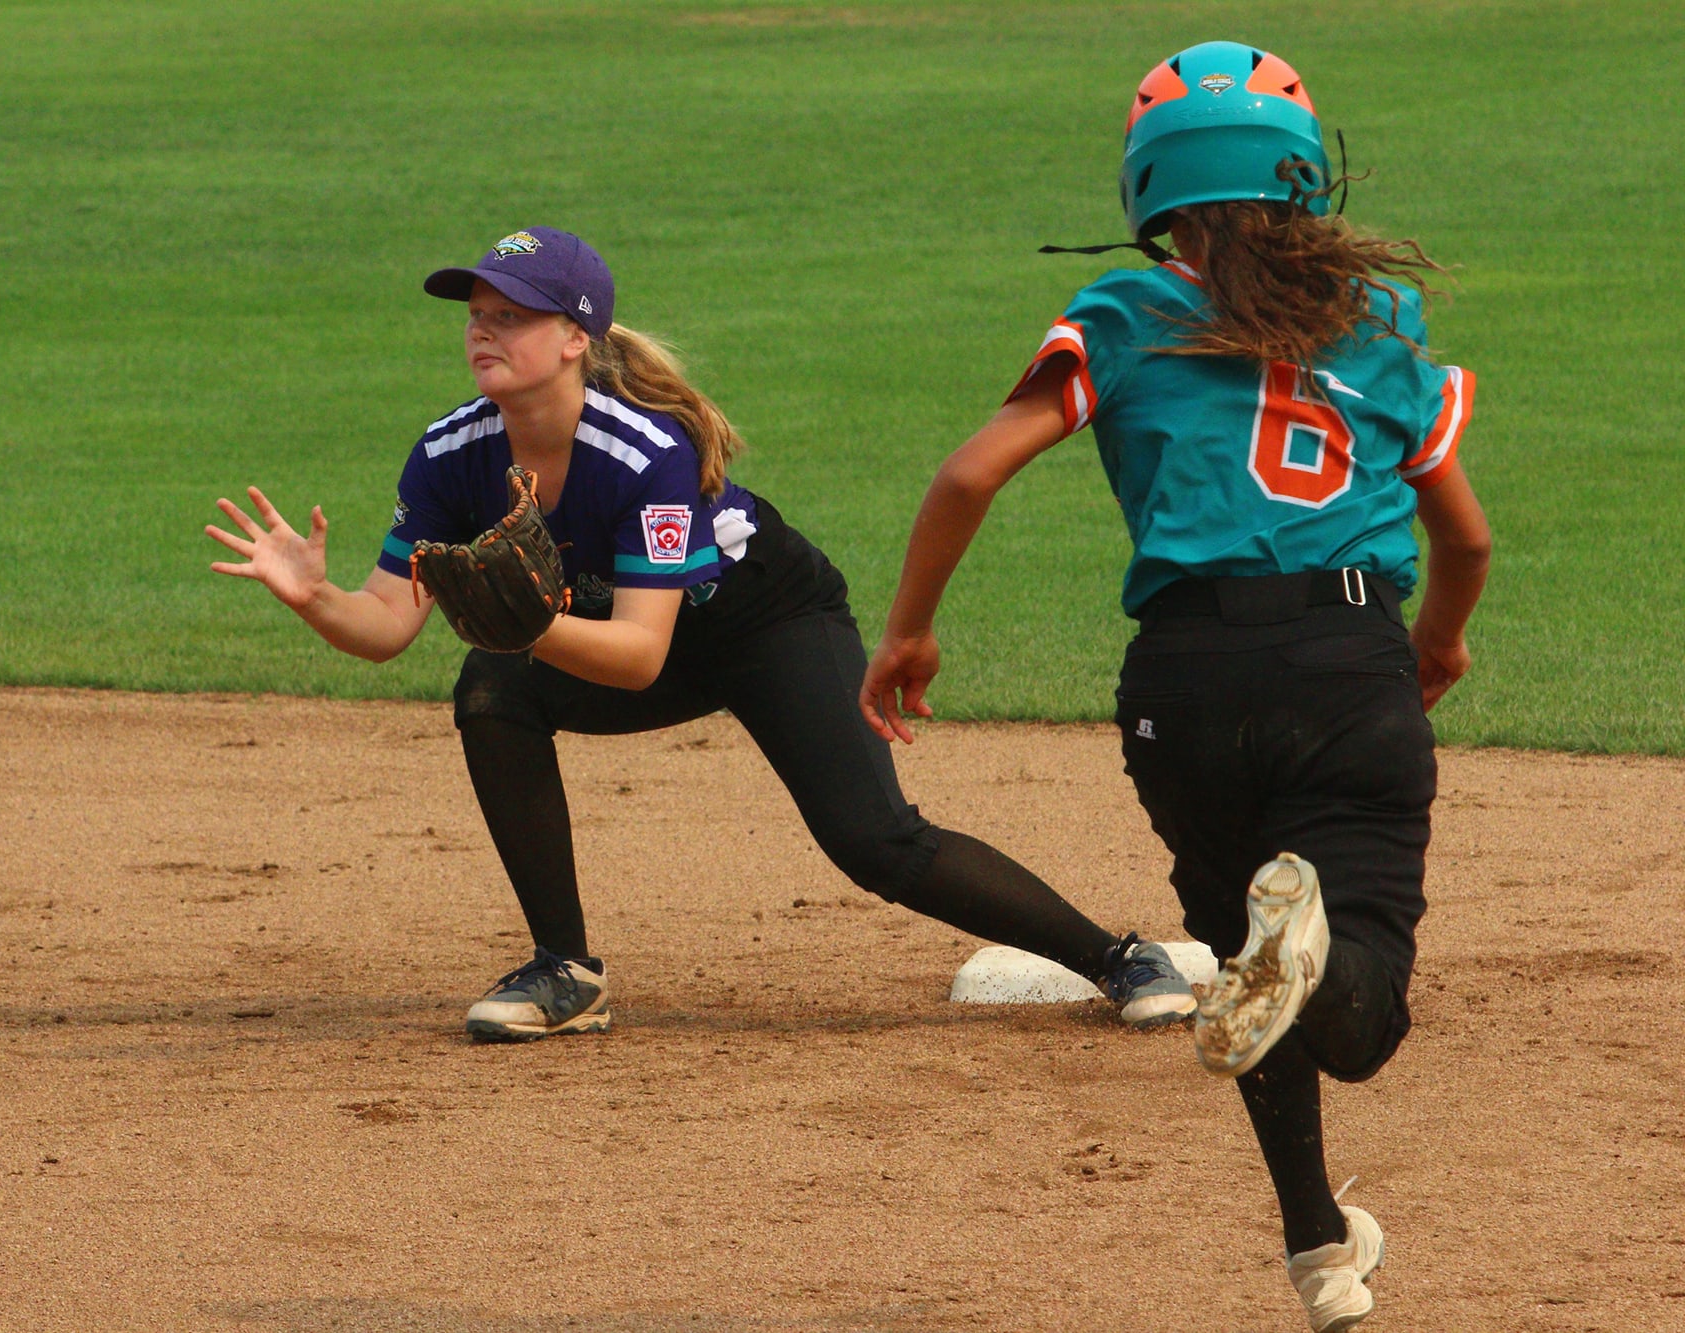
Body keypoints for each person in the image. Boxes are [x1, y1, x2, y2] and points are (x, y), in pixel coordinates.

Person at [859, 43, 1490, 1333]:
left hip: (1179, 689)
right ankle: (1314, 956)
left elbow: (969, 473)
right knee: (1347, 1008)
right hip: (1345, 661)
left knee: (1250, 965)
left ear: (1147, 186)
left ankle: (1315, 1249)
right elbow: (1466, 542)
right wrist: (1437, 641)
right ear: (1302, 174)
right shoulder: (1376, 327)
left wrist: (910, 633)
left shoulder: (1122, 311)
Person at [205, 225, 1197, 1042]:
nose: (482, 331)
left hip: (763, 623)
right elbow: (383, 627)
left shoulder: (640, 452)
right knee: (489, 688)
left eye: (510, 315)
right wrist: (312, 596)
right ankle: (566, 969)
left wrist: (526, 622)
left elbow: (639, 657)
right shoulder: (448, 453)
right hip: (618, 630)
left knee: (873, 841)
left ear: (572, 340)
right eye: (475, 315)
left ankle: (1116, 958)